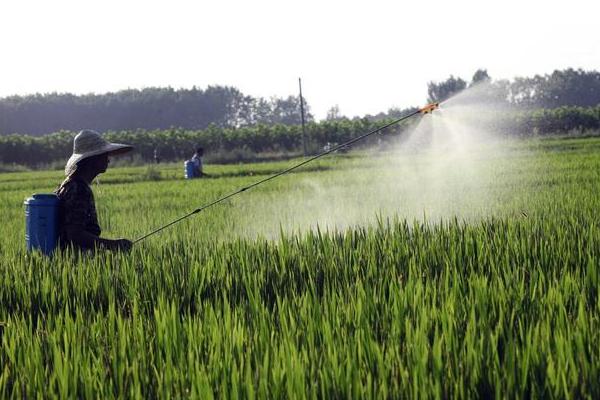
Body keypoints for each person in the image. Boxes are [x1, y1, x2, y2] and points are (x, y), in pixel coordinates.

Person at [55, 130, 134, 252]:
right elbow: (75, 234)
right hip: (76, 261)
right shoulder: (79, 189)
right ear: (92, 159)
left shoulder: (69, 184)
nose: (108, 160)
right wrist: (113, 245)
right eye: (104, 155)